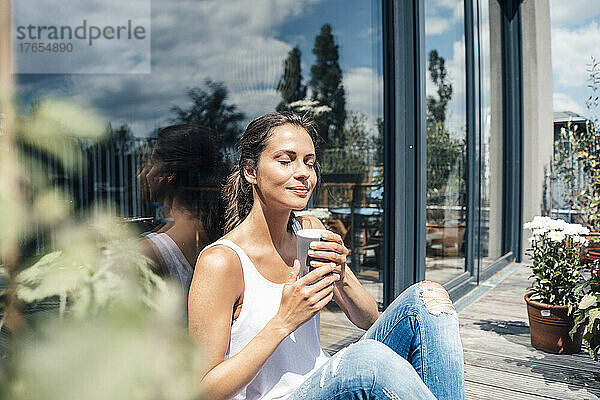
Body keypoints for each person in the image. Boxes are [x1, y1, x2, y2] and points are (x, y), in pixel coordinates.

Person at [188, 112, 464, 400]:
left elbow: (369, 318)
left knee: (427, 299)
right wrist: (283, 321)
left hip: (323, 381)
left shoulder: (309, 230)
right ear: (250, 171)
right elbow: (203, 391)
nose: (303, 172)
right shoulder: (222, 262)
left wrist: (341, 275)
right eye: (286, 160)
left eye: (309, 162)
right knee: (368, 360)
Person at [139, 124, 227, 305]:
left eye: (152, 164)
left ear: (169, 173)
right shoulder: (227, 231)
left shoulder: (148, 252)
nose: (144, 175)